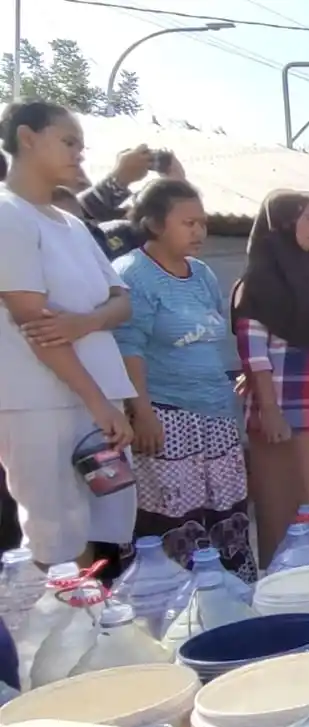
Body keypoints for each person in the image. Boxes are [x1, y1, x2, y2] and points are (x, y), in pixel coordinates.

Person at [0, 100, 138, 568]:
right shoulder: (7, 214)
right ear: (26, 138)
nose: (79, 153)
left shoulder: (74, 226)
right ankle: (57, 637)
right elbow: (34, 322)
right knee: (53, 532)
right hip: (38, 399)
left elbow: (122, 301)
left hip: (97, 398)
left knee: (102, 525)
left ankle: (95, 630)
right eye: (69, 141)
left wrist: (84, 322)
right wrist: (96, 402)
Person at [111, 179, 254, 577]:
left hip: (216, 416)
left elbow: (212, 335)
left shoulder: (203, 274)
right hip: (166, 418)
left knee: (227, 517)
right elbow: (128, 346)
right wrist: (141, 411)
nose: (199, 232)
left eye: (202, 223)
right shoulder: (132, 275)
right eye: (187, 223)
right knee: (174, 523)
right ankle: (177, 613)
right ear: (155, 224)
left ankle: (230, 603)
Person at [232, 190, 309, 564]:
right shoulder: (257, 283)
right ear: (281, 225)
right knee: (290, 506)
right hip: (284, 411)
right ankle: (289, 580)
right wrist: (269, 409)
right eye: (307, 219)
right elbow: (255, 355)